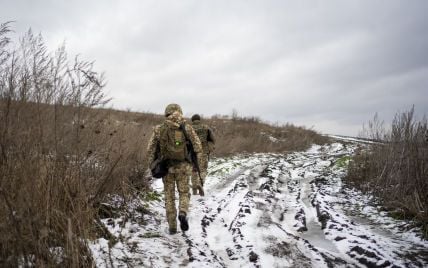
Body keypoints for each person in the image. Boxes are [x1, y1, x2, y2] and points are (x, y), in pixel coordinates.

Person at [146, 104, 203, 234]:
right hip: (183, 167)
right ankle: (183, 213)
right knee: (184, 193)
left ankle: (172, 226)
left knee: (169, 196)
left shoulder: (159, 129)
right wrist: (195, 162)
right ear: (180, 112)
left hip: (166, 167)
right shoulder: (187, 127)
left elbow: (150, 150)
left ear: (166, 113)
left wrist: (152, 166)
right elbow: (198, 146)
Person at [190, 114, 215, 195]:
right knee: (203, 169)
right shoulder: (206, 127)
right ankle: (200, 184)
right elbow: (213, 139)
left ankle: (194, 189)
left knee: (194, 170)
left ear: (192, 120)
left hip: (193, 152)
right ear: (199, 120)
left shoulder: (189, 128)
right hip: (204, 152)